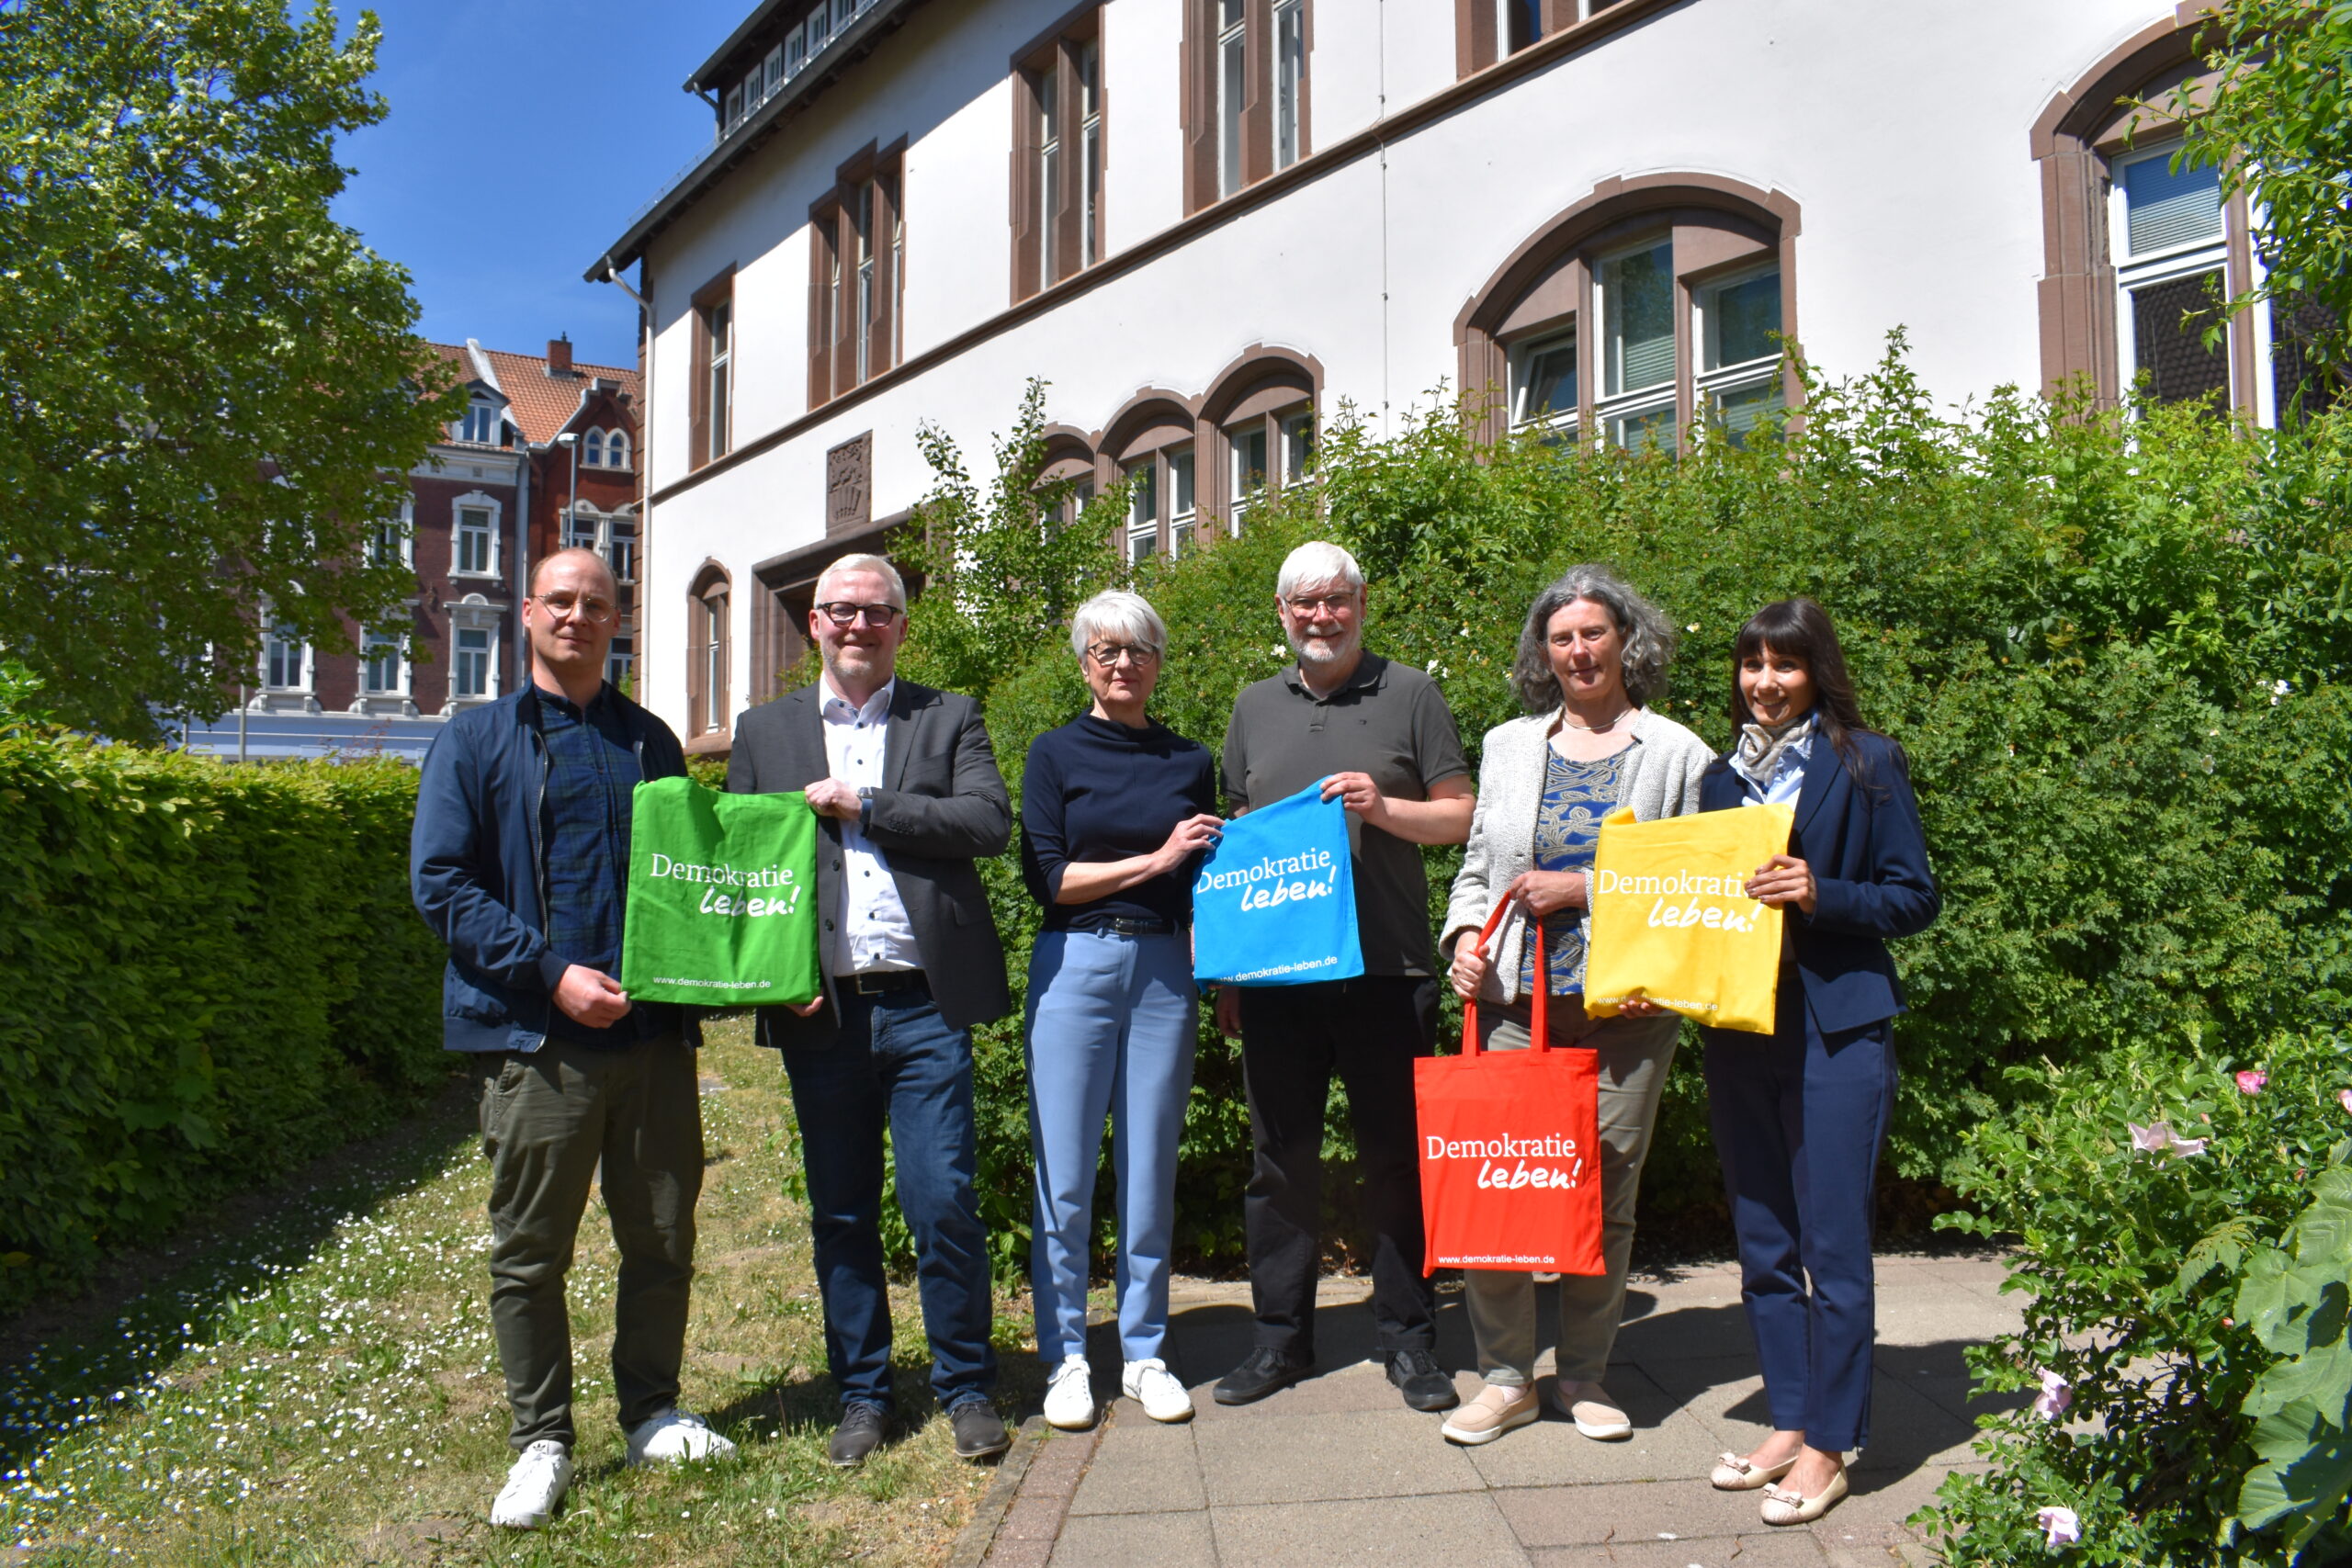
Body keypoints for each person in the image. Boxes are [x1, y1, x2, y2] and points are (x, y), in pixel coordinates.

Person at [411, 547, 736, 1532]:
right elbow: (443, 884)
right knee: (530, 1252)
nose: (578, 617)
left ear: (617, 617)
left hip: (650, 1044)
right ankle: (542, 1439)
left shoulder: (651, 743)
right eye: (561, 600)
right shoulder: (474, 741)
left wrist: (753, 975)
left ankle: (650, 1411)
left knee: (663, 1238)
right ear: (527, 613)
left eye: (597, 603)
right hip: (536, 1040)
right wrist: (550, 972)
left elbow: (690, 883)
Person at [725, 552, 1015, 1469]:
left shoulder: (946, 716)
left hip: (925, 1003)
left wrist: (871, 806)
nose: (858, 625)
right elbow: (744, 871)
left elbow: (987, 824)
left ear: (900, 625)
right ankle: (862, 1394)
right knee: (841, 1212)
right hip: (824, 1012)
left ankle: (965, 1385)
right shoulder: (763, 731)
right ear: (812, 623)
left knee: (943, 1202)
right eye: (840, 612)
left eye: (877, 612)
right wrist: (776, 975)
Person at [1437, 566, 1715, 1447]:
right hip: (1519, 999)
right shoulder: (1508, 745)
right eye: (1561, 637)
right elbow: (1480, 867)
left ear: (1628, 640)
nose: (1578, 650)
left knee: (1606, 1189)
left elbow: (1693, 880)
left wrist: (1585, 888)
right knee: (1500, 1183)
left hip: (1630, 1008)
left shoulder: (1678, 753)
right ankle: (1507, 1378)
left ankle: (1584, 1375)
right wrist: (1463, 945)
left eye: (1594, 633)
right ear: (1543, 652)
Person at [1212, 541, 1476, 1414]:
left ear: (1363, 602)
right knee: (1278, 1162)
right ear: (1282, 614)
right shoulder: (1253, 707)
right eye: (1304, 603)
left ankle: (1410, 1341)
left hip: (1388, 969)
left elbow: (1460, 815)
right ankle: (1279, 1341)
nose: (1322, 616)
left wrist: (1383, 807)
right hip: (1281, 975)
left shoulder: (1412, 693)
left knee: (1396, 1162)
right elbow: (1240, 843)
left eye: (1336, 600)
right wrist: (1229, 975)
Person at [1697, 597, 1939, 1526]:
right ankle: (1789, 1417)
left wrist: (1819, 891)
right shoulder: (1721, 780)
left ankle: (1832, 1446)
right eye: (1751, 664)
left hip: (1837, 1025)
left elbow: (1913, 897)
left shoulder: (1866, 761)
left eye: (1783, 665)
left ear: (1816, 671)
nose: (1764, 681)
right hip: (1740, 1026)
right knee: (1763, 1241)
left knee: (1832, 1245)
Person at [1020, 591, 1222, 1431]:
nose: (1122, 664)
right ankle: (1067, 1355)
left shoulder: (1189, 758)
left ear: (1158, 660)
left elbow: (1210, 879)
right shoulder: (1054, 753)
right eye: (1105, 650)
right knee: (1063, 1173)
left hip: (1164, 965)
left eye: (1138, 650)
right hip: (1075, 962)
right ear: (1083, 663)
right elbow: (1050, 879)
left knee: (1149, 1166)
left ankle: (1143, 1351)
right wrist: (1159, 856)